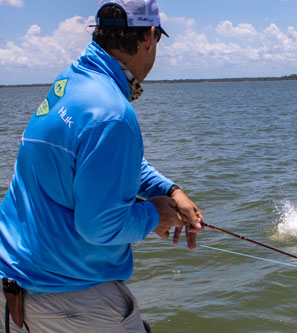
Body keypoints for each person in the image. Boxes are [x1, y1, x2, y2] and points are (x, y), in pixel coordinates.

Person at [0, 1, 203, 332]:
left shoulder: (71, 82)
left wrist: (168, 190)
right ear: (149, 36)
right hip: (67, 299)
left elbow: (97, 162)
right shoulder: (112, 114)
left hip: (16, 281)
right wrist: (156, 215)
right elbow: (100, 227)